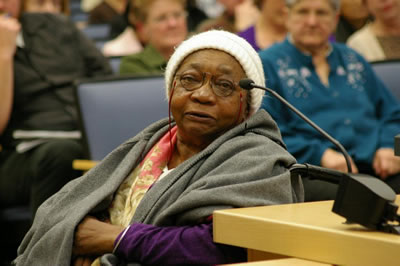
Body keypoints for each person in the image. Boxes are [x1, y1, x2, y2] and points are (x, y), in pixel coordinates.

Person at [14, 30, 304, 266]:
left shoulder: (259, 158)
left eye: (224, 85)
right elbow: (75, 206)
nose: (202, 95)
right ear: (172, 90)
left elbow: (226, 246)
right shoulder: (149, 143)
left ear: (247, 106)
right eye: (190, 80)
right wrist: (81, 240)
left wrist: (118, 239)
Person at [259, 0, 400, 201]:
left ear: (335, 19)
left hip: (378, 165)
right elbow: (266, 132)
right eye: (303, 12)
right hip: (314, 172)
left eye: (321, 13)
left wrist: (389, 146)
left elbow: (392, 113)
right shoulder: (268, 64)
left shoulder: (353, 58)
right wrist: (320, 154)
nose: (312, 21)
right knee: (358, 198)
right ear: (288, 15)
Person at [0, 0, 112, 216]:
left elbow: (103, 79)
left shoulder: (56, 27)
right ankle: (44, 247)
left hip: (76, 137)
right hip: (19, 154)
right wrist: (4, 56)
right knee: (62, 153)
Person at [119, 0, 188, 75]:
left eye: (177, 15)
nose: (172, 24)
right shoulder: (134, 64)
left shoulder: (200, 56)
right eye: (161, 18)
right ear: (143, 28)